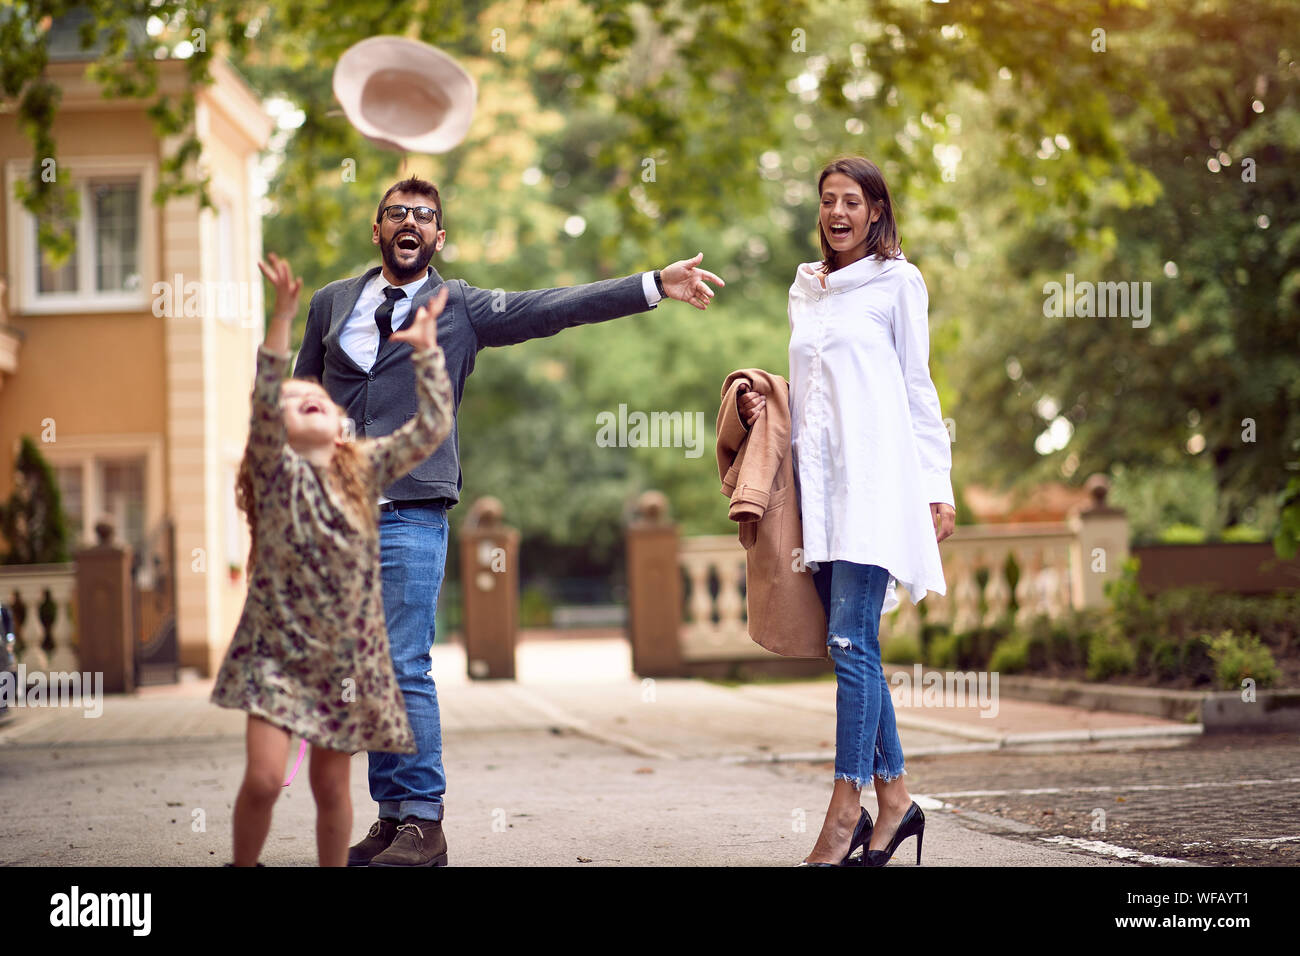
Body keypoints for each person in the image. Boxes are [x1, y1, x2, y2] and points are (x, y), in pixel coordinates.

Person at [294, 176, 725, 866]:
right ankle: (390, 815)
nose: (410, 221)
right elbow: (303, 404)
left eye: (424, 216)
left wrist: (653, 284)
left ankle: (424, 824)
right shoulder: (330, 304)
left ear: (439, 238)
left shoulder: (460, 305)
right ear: (377, 230)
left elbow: (556, 306)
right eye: (396, 212)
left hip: (411, 507)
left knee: (404, 661)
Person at [739, 156, 956, 867]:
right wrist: (759, 404)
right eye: (829, 200)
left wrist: (938, 484)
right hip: (820, 499)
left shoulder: (899, 282)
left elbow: (918, 388)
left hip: (877, 489)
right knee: (852, 646)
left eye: (852, 201)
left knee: (851, 644)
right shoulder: (806, 289)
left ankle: (844, 812)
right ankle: (896, 803)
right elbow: (808, 395)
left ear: (875, 212)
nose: (838, 212)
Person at [211, 253, 454, 867]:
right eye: (294, 401)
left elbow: (429, 429)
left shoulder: (362, 470)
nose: (306, 397)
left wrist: (427, 354)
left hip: (346, 659)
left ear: (343, 426)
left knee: (329, 787)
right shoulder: (273, 473)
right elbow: (267, 396)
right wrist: (284, 318)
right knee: (265, 780)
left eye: (315, 397)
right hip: (275, 653)